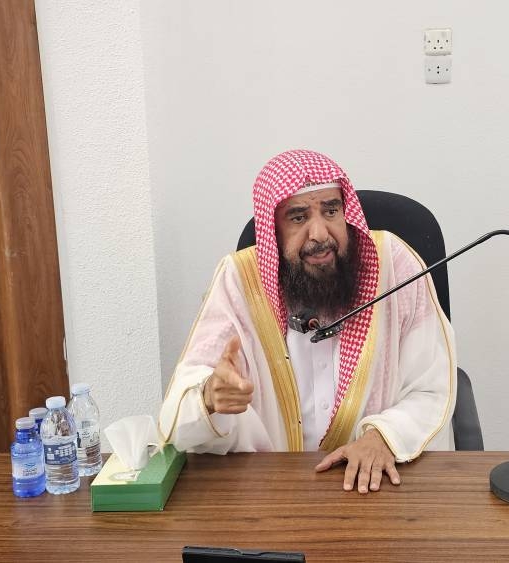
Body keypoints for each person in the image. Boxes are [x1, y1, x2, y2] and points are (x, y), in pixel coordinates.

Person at [158, 149, 456, 494]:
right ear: (273, 230)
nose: (320, 234)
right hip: (271, 492)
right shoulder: (240, 282)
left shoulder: (394, 267)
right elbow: (183, 401)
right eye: (298, 217)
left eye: (331, 211)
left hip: (376, 487)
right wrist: (209, 396)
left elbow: (431, 385)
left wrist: (385, 436)